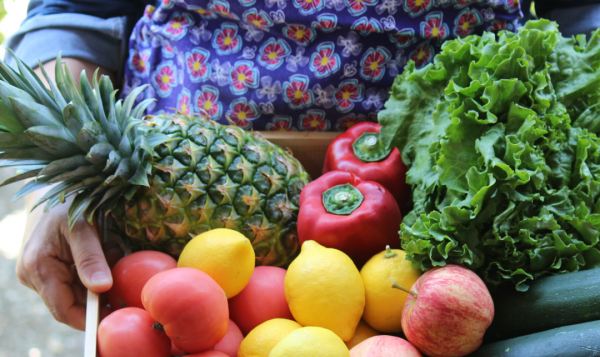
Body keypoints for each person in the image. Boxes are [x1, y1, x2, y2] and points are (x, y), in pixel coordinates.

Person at [5, 0, 597, 331]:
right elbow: (74, 9)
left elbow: (580, 13)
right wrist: (62, 187)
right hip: (164, 179)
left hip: (452, 168)